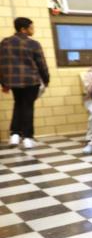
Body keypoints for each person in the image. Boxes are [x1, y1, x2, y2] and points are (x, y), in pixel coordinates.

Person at [0, 17, 50, 149]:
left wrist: (4, 83)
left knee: (18, 105)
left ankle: (14, 135)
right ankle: (28, 137)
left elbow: (1, 64)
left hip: (13, 82)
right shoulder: (33, 44)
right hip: (31, 80)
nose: (33, 30)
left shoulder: (5, 42)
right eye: (31, 28)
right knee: (28, 107)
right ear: (23, 29)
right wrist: (46, 80)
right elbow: (42, 65)